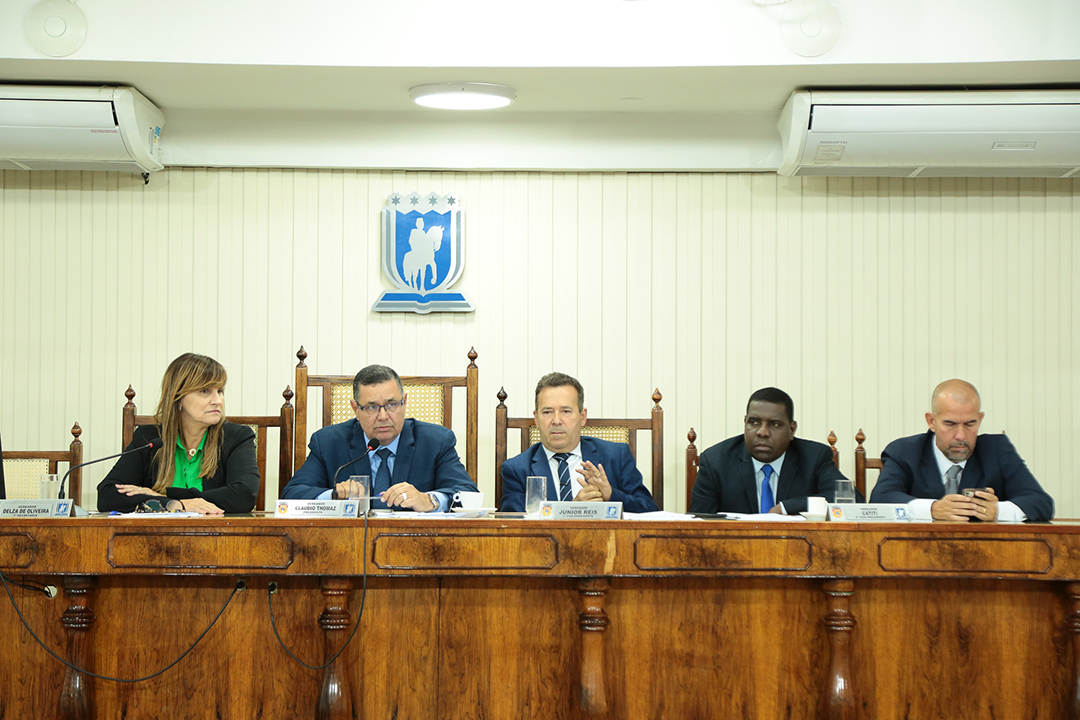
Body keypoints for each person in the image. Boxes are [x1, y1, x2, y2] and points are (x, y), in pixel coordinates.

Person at [281, 364, 476, 510]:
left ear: (405, 402)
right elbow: (291, 496)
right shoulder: (328, 442)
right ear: (355, 408)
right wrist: (333, 495)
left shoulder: (435, 441)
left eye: (392, 404)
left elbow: (469, 496)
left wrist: (429, 500)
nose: (383, 416)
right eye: (372, 407)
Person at [869, 379, 1054, 522]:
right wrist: (932, 509)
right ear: (931, 421)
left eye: (970, 424)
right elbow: (880, 500)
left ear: (980, 419)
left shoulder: (997, 450)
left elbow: (1041, 503)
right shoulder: (905, 452)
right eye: (950, 424)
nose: (961, 436)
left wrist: (998, 511)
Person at [98, 353, 259, 515]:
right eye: (204, 391)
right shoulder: (150, 438)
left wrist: (166, 497)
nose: (217, 400)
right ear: (178, 398)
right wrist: (174, 504)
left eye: (220, 391)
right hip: (155, 537)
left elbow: (244, 495)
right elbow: (107, 496)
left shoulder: (237, 436)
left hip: (217, 536)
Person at [499, 372, 659, 513]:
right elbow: (515, 527)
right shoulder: (516, 469)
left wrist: (611, 495)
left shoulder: (616, 456)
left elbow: (649, 510)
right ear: (536, 418)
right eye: (547, 412)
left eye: (566, 411)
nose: (556, 420)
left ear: (582, 417)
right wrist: (571, 510)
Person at [689, 387, 848, 515]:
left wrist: (787, 507)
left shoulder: (814, 457)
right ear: (745, 423)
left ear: (792, 430)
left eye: (775, 424)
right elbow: (698, 524)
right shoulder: (716, 461)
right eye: (754, 422)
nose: (762, 432)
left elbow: (849, 499)